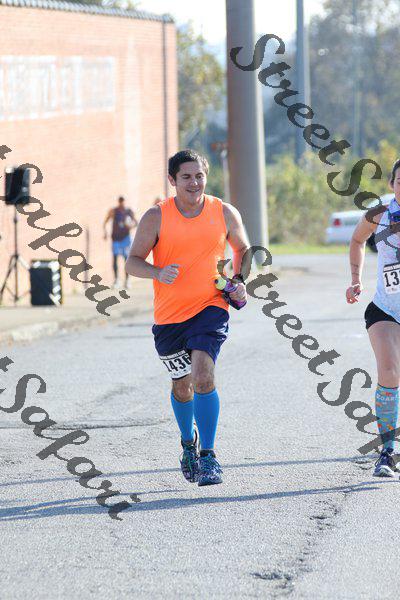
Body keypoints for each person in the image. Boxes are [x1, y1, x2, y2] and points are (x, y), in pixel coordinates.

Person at [126, 149, 249, 486]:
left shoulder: (223, 212)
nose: (194, 183)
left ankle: (208, 455)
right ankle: (187, 443)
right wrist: (157, 271)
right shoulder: (156, 216)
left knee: (203, 376)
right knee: (182, 386)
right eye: (186, 177)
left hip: (211, 306)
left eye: (199, 176)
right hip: (169, 317)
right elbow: (132, 261)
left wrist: (239, 281)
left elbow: (243, 249)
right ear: (172, 180)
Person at [346, 159, 400, 477]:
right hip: (385, 309)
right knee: (390, 371)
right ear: (392, 184)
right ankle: (388, 452)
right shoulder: (378, 214)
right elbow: (357, 240)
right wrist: (356, 279)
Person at [104, 196, 137, 288]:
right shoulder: (114, 211)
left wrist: (130, 225)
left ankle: (127, 280)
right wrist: (105, 232)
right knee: (115, 258)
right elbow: (106, 221)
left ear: (125, 201)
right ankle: (116, 280)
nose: (122, 203)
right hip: (116, 238)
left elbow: (136, 223)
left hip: (126, 238)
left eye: (123, 201)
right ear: (118, 202)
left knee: (126, 259)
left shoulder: (129, 211)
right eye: (120, 201)